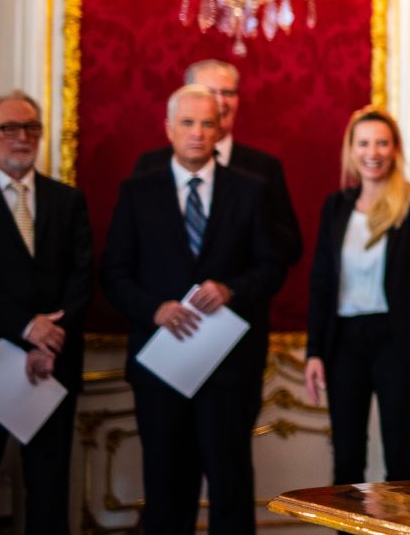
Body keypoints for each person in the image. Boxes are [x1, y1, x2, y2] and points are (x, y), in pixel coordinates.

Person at [102, 85, 284, 535]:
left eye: (208, 123)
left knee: (231, 489)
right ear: (169, 129)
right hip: (162, 365)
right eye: (187, 123)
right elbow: (114, 273)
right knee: (165, 492)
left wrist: (231, 289)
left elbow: (273, 267)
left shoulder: (251, 190)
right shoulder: (137, 191)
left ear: (221, 127)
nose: (198, 133)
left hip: (229, 370)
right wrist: (154, 309)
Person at [0, 91, 93, 535]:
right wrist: (27, 327)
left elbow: (84, 276)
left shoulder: (67, 200)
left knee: (49, 485)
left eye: (31, 128)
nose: (22, 137)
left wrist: (52, 336)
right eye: (10, 128)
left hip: (54, 362)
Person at [303, 107, 410, 483]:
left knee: (399, 457)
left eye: (382, 143)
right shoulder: (335, 207)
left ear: (395, 149)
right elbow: (322, 284)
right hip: (344, 343)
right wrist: (314, 352)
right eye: (364, 143)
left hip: (399, 341)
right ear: (351, 150)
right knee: (347, 459)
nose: (373, 152)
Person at [133, 59, 301, 271]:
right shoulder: (152, 165)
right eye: (209, 92)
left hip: (237, 299)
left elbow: (290, 248)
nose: (221, 102)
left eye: (228, 93)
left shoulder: (263, 168)